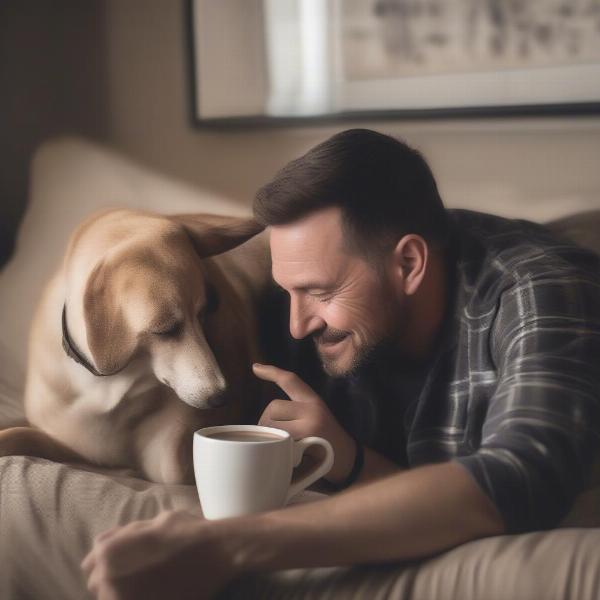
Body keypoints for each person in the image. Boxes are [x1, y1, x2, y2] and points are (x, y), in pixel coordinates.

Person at [82, 129, 600, 599]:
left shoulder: (542, 291)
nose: (296, 327)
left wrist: (224, 547)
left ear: (408, 264)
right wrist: (349, 459)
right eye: (289, 291)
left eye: (319, 291)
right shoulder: (338, 318)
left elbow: (520, 474)